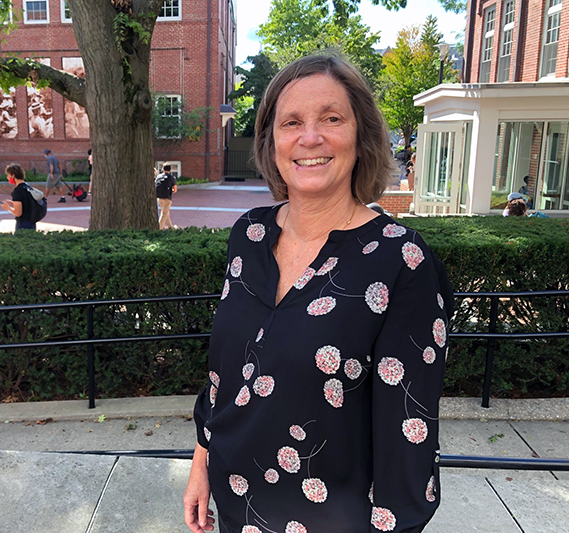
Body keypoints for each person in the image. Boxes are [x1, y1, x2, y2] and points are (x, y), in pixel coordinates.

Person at [184, 55, 454, 533]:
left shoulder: (401, 261)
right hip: (237, 505)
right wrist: (200, 462)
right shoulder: (248, 236)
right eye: (292, 122)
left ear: (361, 135)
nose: (310, 137)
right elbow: (224, 370)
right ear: (271, 141)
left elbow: (407, 431)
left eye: (331, 118)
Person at [0, 163, 38, 232]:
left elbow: (18, 213)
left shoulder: (18, 191)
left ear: (13, 175)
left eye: (8, 175)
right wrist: (13, 203)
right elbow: (26, 203)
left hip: (23, 224)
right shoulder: (28, 187)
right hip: (32, 222)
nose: (7, 178)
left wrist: (7, 207)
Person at [155, 163, 178, 229]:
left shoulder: (158, 176)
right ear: (170, 170)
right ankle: (159, 229)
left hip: (159, 198)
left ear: (162, 169)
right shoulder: (171, 177)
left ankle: (171, 228)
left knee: (166, 213)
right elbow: (175, 189)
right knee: (164, 214)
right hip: (167, 198)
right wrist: (171, 191)